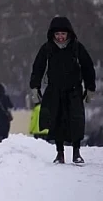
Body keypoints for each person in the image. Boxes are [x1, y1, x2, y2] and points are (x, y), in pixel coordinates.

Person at [29, 16, 97, 164]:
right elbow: (38, 67)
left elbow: (88, 67)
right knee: (56, 121)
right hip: (55, 90)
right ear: (53, 34)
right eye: (57, 34)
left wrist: (90, 88)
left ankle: (76, 152)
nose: (60, 37)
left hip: (74, 91)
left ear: (69, 34)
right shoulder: (47, 48)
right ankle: (60, 153)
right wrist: (35, 87)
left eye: (63, 34)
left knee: (76, 121)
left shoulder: (77, 48)